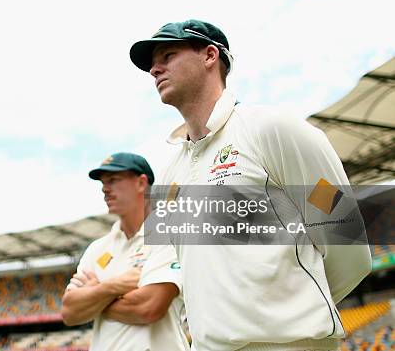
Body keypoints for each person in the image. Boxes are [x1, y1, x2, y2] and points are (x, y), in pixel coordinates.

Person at [128, 19, 372, 351]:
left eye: (167, 55)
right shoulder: (170, 176)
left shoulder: (274, 130)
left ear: (210, 56)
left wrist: (291, 317)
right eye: (152, 65)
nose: (154, 70)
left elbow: (349, 245)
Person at [61, 152, 190, 351]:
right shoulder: (98, 248)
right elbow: (70, 312)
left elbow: (149, 308)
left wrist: (95, 297)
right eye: (103, 183)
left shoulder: (168, 236)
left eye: (113, 180)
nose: (105, 189)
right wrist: (113, 287)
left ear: (141, 183)